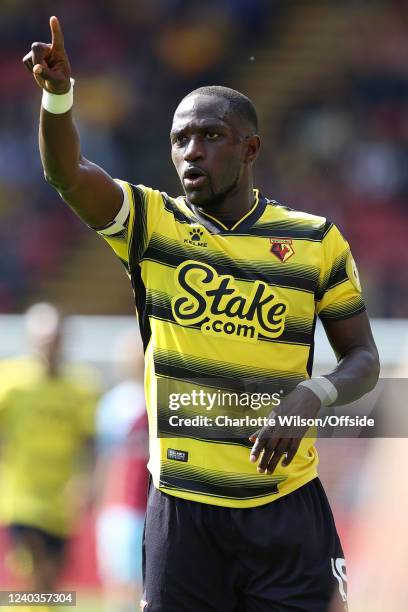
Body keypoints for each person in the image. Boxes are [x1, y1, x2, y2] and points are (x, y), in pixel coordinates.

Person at [23, 17, 380, 612]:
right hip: (184, 514)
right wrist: (58, 96)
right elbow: (67, 174)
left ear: (251, 148)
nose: (191, 153)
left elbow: (364, 359)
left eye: (210, 136)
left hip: (286, 509)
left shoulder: (316, 241)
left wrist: (314, 393)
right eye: (180, 139)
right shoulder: (152, 224)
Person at [0, 303, 98, 597]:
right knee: (35, 567)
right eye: (44, 339)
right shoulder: (10, 381)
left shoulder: (81, 386)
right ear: (31, 340)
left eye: (55, 338)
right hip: (22, 495)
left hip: (62, 498)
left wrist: (88, 482)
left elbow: (88, 441)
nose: (49, 346)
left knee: (53, 578)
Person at [94, 330, 148, 611]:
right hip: (119, 510)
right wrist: (100, 503)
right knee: (117, 586)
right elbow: (104, 458)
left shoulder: (160, 400)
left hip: (152, 507)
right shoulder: (113, 404)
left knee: (145, 587)